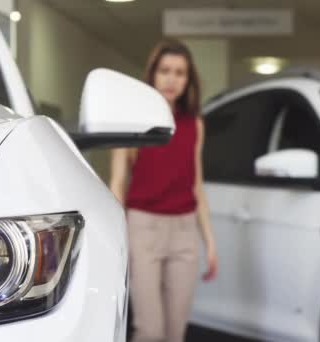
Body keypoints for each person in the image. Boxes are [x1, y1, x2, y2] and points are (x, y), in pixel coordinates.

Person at [109, 39, 218, 342]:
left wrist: (209, 241)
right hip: (143, 229)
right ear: (153, 75)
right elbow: (117, 183)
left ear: (188, 79)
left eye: (180, 73)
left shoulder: (194, 123)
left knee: (175, 333)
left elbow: (196, 184)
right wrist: (116, 240)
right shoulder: (131, 120)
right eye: (165, 70)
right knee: (150, 331)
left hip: (184, 233)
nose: (172, 79)